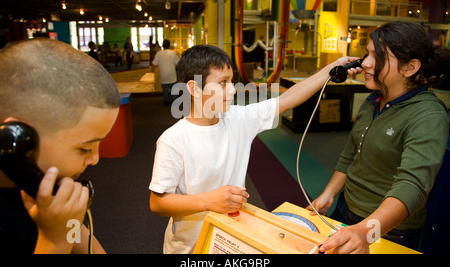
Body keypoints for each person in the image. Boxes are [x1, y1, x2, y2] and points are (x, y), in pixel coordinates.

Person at [149, 44, 360, 253]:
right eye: (223, 83)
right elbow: (158, 203)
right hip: (189, 246)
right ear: (194, 88)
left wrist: (331, 69)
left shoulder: (238, 118)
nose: (233, 90)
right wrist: (208, 201)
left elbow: (287, 99)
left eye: (232, 81)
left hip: (230, 239)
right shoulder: (173, 140)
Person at [307, 21, 450, 254]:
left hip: (388, 228)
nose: (365, 63)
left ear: (410, 67)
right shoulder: (373, 100)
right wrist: (329, 194)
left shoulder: (429, 115)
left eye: (378, 56)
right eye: (368, 54)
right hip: (347, 209)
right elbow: (350, 155)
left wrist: (366, 232)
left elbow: (412, 186)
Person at [0, 38, 121, 253]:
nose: (95, 159)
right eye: (85, 148)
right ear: (16, 139)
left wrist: (69, 226)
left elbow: (79, 238)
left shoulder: (40, 192)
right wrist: (53, 241)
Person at [151, 39, 179, 105]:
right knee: (174, 89)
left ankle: (166, 101)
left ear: (163, 45)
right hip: (172, 74)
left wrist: (151, 72)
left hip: (163, 75)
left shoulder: (159, 53)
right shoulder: (173, 53)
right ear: (169, 45)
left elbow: (154, 64)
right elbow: (177, 64)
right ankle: (174, 101)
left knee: (165, 90)